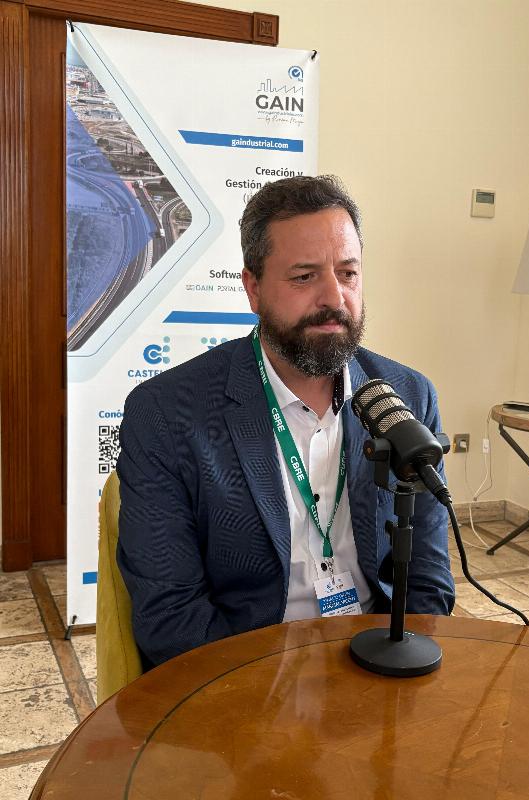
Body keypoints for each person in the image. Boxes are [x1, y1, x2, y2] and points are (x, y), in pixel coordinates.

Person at [117, 175, 454, 670]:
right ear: (253, 289)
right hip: (245, 669)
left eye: (348, 273)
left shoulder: (408, 396)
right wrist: (265, 697)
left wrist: (394, 673)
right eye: (304, 277)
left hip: (377, 658)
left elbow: (428, 580)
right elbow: (171, 616)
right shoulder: (167, 413)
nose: (334, 297)